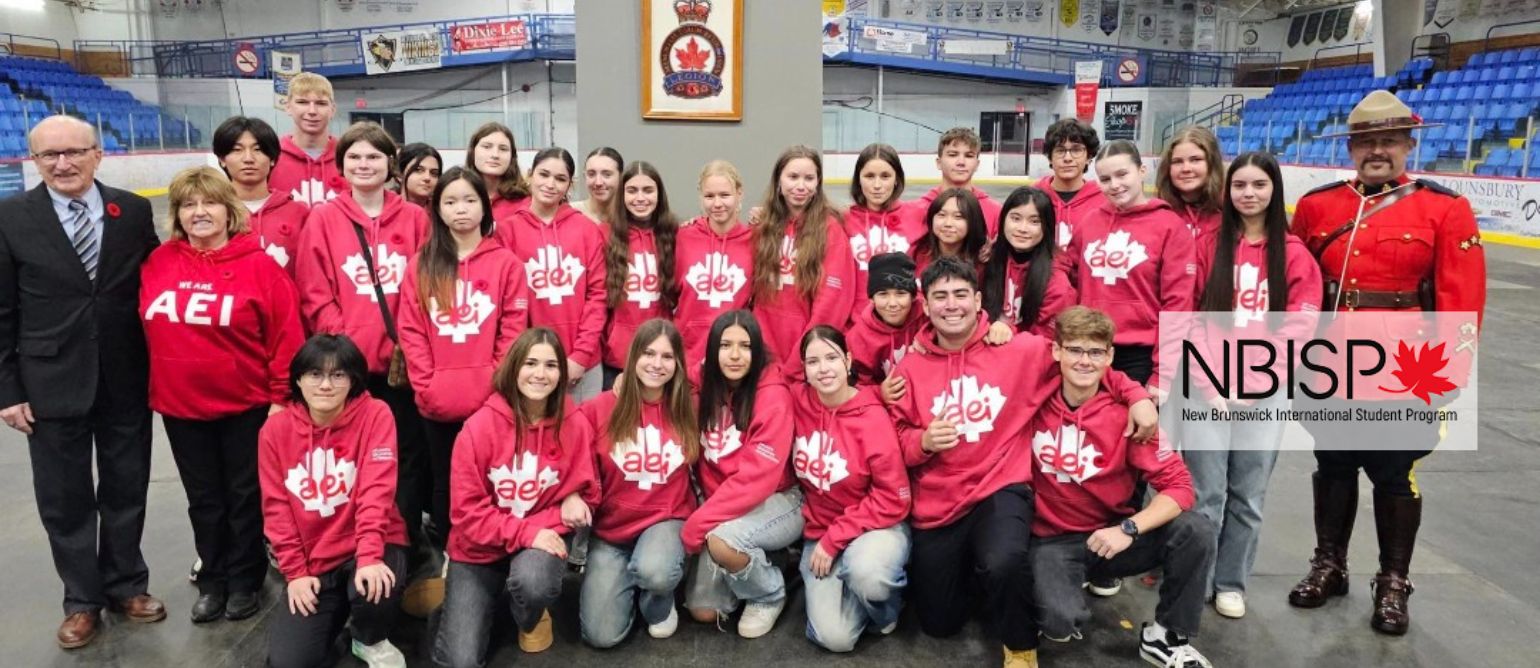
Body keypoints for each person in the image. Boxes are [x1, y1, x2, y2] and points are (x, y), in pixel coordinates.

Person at [883, 257, 1157, 668]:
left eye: (960, 294)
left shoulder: (1017, 349)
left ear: (979, 301)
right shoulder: (911, 366)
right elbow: (899, 440)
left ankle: (1020, 644)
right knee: (940, 623)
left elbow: (1083, 362)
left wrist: (1136, 395)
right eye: (940, 296)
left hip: (1001, 487)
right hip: (940, 501)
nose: (951, 304)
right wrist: (922, 442)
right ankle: (978, 579)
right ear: (925, 304)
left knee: (1004, 559)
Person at [1287, 90, 1486, 636]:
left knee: (1394, 474)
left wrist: (1452, 373)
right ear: (1350, 147)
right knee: (1333, 464)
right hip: (1330, 363)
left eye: (1390, 141)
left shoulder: (1443, 208)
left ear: (1408, 146)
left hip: (1406, 367)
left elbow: (1462, 297)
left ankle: (1393, 581)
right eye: (1367, 142)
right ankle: (1329, 564)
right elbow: (1296, 285)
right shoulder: (1319, 206)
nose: (1378, 151)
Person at [0, 116, 164, 649]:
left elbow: (155, 285)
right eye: (49, 156)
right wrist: (7, 390)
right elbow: (2, 310)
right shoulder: (10, 217)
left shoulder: (132, 211)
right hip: (48, 381)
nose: (63, 164)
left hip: (126, 375)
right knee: (65, 499)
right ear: (33, 161)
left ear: (98, 153)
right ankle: (81, 601)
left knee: (126, 487)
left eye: (73, 152)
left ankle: (126, 584)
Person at [141, 166, 304, 623]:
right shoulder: (159, 263)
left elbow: (286, 338)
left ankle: (244, 579)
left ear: (229, 211)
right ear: (176, 214)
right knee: (204, 500)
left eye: (209, 202)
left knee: (244, 497)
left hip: (246, 406)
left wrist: (280, 400)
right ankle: (212, 579)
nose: (199, 212)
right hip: (180, 406)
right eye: (188, 205)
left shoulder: (260, 267)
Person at [1027, 306, 1216, 668]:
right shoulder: (1033, 396)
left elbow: (1179, 487)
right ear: (1057, 351)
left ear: (1110, 356)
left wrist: (1128, 529)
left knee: (1195, 529)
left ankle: (1166, 636)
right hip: (1050, 541)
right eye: (1075, 350)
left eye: (1096, 352)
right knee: (1060, 623)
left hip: (1108, 538)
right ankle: (1053, 595)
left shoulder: (1128, 417)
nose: (1085, 361)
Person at [1184, 152, 1321, 619]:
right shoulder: (1208, 246)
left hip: (1265, 391)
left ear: (1274, 190)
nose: (1248, 194)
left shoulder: (1294, 254)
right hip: (1208, 387)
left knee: (1247, 494)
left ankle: (1230, 582)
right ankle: (1197, 579)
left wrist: (1258, 379)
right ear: (1227, 191)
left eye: (1259, 185)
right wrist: (1210, 383)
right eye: (1239, 185)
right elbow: (1190, 316)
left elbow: (1300, 325)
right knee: (1205, 493)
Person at [295, 121, 433, 573]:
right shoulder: (324, 219)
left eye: (373, 156)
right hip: (350, 369)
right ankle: (354, 546)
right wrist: (345, 352)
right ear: (342, 166)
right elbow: (315, 291)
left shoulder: (415, 219)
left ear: (390, 164)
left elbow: (427, 287)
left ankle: (403, 544)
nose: (364, 164)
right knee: (355, 459)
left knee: (407, 457)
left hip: (403, 366)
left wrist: (409, 341)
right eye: (354, 156)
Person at [434, 328, 598, 667]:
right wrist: (529, 531)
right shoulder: (477, 428)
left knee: (533, 584)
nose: (540, 374)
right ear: (513, 368)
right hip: (479, 549)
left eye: (551, 365)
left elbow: (590, 494)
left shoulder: (574, 423)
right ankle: (474, 598)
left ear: (562, 374)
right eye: (530, 363)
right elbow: (466, 514)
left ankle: (526, 611)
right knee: (460, 660)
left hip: (536, 547)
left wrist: (575, 496)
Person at [398, 167, 529, 574]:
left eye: (470, 200)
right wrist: (426, 385)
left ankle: (496, 554)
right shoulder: (422, 265)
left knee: (494, 478)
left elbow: (513, 330)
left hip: (492, 401)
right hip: (438, 401)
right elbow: (411, 330)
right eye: (450, 201)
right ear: (437, 209)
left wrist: (497, 385)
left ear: (484, 206)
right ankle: (453, 556)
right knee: (445, 481)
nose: (461, 209)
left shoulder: (506, 264)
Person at [259, 334, 410, 668]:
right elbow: (276, 509)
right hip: (315, 558)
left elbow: (376, 490)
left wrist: (369, 556)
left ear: (353, 380)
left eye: (338, 375)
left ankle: (368, 638)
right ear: (298, 379)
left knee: (377, 588)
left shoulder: (375, 414)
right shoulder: (274, 431)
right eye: (315, 374)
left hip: (369, 544)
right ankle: (340, 608)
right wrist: (296, 573)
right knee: (289, 662)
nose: (326, 385)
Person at [578, 319, 699, 647]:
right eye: (648, 353)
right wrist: (574, 497)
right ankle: (631, 580)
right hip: (611, 534)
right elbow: (573, 462)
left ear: (678, 364)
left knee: (655, 571)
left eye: (667, 356)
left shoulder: (688, 407)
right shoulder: (598, 409)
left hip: (666, 521)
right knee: (600, 636)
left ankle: (657, 599)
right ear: (633, 357)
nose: (657, 364)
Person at [682, 310, 801, 638]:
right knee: (704, 611)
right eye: (725, 346)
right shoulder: (703, 383)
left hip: (776, 499)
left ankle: (769, 593)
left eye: (745, 346)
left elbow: (756, 480)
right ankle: (764, 557)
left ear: (757, 350)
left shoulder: (773, 395)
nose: (735, 355)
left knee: (722, 542)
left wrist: (700, 522)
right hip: (724, 502)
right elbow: (675, 376)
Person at [793, 325, 911, 653]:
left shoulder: (873, 419)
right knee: (836, 639)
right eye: (813, 361)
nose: (823, 368)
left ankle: (885, 604)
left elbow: (893, 498)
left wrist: (835, 539)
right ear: (803, 369)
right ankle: (850, 589)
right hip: (820, 530)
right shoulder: (797, 400)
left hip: (876, 526)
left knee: (868, 575)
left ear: (848, 361)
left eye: (831, 358)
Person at [1063, 139, 1197, 390]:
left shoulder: (1170, 227)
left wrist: (1163, 373)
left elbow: (1177, 307)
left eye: (1122, 174)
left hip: (1141, 356)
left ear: (1142, 171)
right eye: (1105, 179)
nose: (1114, 185)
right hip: (1089, 349)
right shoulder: (1090, 222)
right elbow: (1065, 272)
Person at [496, 147, 608, 401]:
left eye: (560, 179)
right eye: (544, 174)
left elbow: (598, 296)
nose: (550, 184)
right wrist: (524, 358)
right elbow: (506, 305)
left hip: (583, 364)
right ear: (530, 175)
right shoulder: (507, 231)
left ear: (570, 185)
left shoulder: (587, 230)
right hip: (530, 364)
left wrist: (580, 356)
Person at [750, 146, 856, 377]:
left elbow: (831, 302)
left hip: (805, 354)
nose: (801, 186)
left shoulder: (830, 229)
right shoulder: (763, 226)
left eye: (809, 178)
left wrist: (805, 355)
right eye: (793, 177)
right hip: (763, 350)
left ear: (818, 184)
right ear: (778, 181)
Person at [602, 161, 680, 389]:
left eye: (648, 190)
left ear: (659, 194)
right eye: (632, 190)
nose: (640, 198)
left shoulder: (676, 234)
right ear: (622, 195)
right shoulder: (604, 234)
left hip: (661, 353)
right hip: (617, 357)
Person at [674, 160, 755, 368]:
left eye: (724, 195)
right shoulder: (683, 237)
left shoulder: (756, 241)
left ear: (739, 194)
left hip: (733, 355)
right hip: (686, 353)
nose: (717, 204)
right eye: (709, 196)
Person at [213, 115, 308, 275]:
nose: (248, 159)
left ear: (272, 159)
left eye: (257, 150)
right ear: (222, 159)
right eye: (237, 150)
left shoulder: (299, 213)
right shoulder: (210, 212)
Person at [981, 186, 1075, 341]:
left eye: (1034, 221)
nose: (1022, 229)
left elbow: (1048, 341)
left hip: (1028, 352)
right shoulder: (987, 260)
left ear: (1047, 227)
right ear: (1003, 220)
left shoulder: (1056, 282)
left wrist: (1008, 332)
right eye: (1016, 218)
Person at [843, 143, 921, 304]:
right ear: (858, 179)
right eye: (869, 176)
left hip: (903, 313)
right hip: (857, 317)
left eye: (885, 176)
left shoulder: (917, 215)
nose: (877, 185)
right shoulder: (843, 219)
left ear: (896, 179)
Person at [902, 127, 1003, 237]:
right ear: (939, 163)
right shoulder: (917, 210)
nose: (961, 162)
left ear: (977, 165)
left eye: (969, 156)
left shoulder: (995, 212)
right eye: (953, 155)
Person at [846, 252, 922, 386]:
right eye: (883, 294)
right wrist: (880, 392)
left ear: (913, 296)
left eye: (900, 293)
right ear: (871, 298)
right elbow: (859, 386)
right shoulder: (858, 337)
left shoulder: (928, 319)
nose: (892, 303)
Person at [270, 72, 344, 206]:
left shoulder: (349, 157)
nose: (312, 111)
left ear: (332, 109)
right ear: (288, 107)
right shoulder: (270, 158)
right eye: (302, 102)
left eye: (321, 103)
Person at [1037, 119, 1102, 249]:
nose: (1067, 158)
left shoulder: (1104, 202)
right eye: (1060, 150)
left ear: (1089, 157)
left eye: (1076, 150)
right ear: (1050, 157)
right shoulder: (1032, 198)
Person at [1158, 127, 1225, 243]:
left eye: (1195, 160)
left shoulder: (1230, 214)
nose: (1186, 169)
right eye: (1177, 161)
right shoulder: (1158, 215)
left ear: (1212, 164)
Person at [910, 187, 989, 282]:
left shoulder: (984, 262)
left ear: (973, 221)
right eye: (942, 215)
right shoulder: (916, 254)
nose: (948, 223)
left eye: (958, 217)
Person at [465, 122, 529, 224]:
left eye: (503, 149)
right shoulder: (456, 197)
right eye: (487, 147)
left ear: (512, 156)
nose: (495, 155)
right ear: (472, 152)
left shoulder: (527, 203)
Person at [575, 146, 624, 225]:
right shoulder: (571, 213)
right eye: (591, 174)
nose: (598, 183)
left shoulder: (631, 216)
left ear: (620, 177)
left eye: (607, 175)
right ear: (584, 176)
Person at [397, 142, 443, 209]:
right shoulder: (385, 209)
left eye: (434, 173)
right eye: (418, 170)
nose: (427, 178)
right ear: (399, 174)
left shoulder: (442, 211)